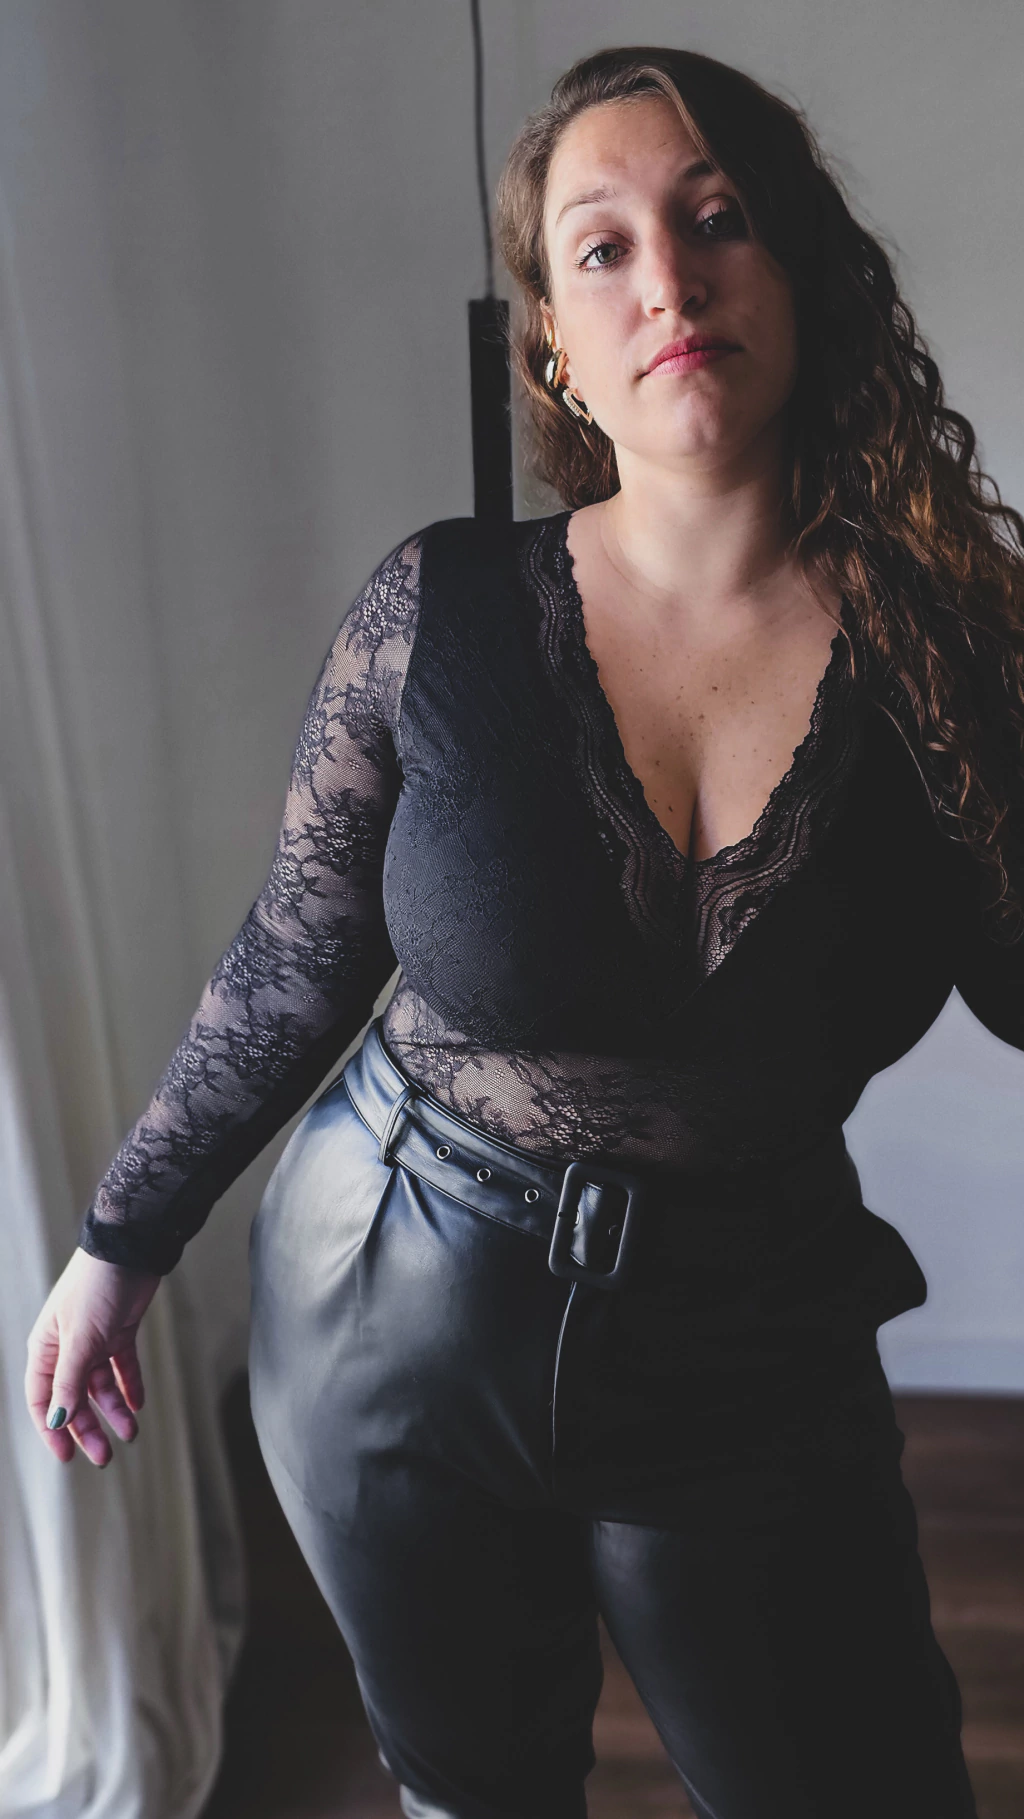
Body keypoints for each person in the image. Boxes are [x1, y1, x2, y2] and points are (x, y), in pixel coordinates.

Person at [24, 41, 1024, 1819]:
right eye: (604, 247)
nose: (670, 280)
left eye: (717, 218)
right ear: (557, 342)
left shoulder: (958, 648)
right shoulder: (440, 609)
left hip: (752, 1334)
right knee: (473, 1795)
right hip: (394, 1302)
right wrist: (118, 1240)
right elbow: (292, 960)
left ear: (798, 265)